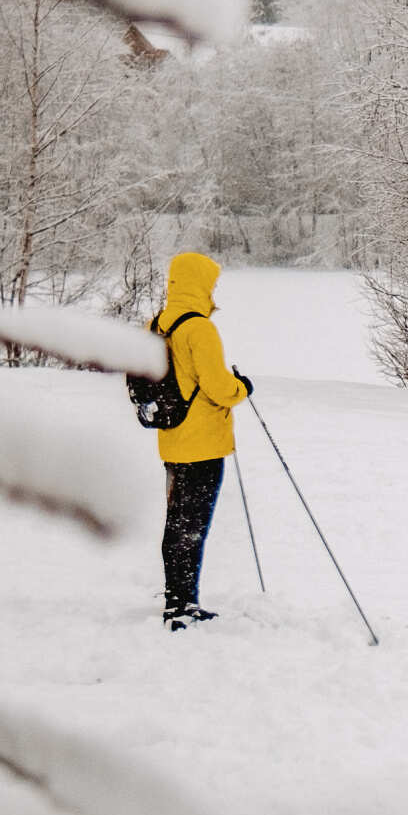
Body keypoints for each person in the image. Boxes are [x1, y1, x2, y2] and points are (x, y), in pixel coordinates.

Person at [154, 252, 252, 632]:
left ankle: (176, 598)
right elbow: (220, 388)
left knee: (176, 523)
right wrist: (243, 386)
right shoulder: (199, 329)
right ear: (200, 284)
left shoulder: (156, 325)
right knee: (192, 526)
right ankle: (181, 607)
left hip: (171, 440)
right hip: (203, 446)